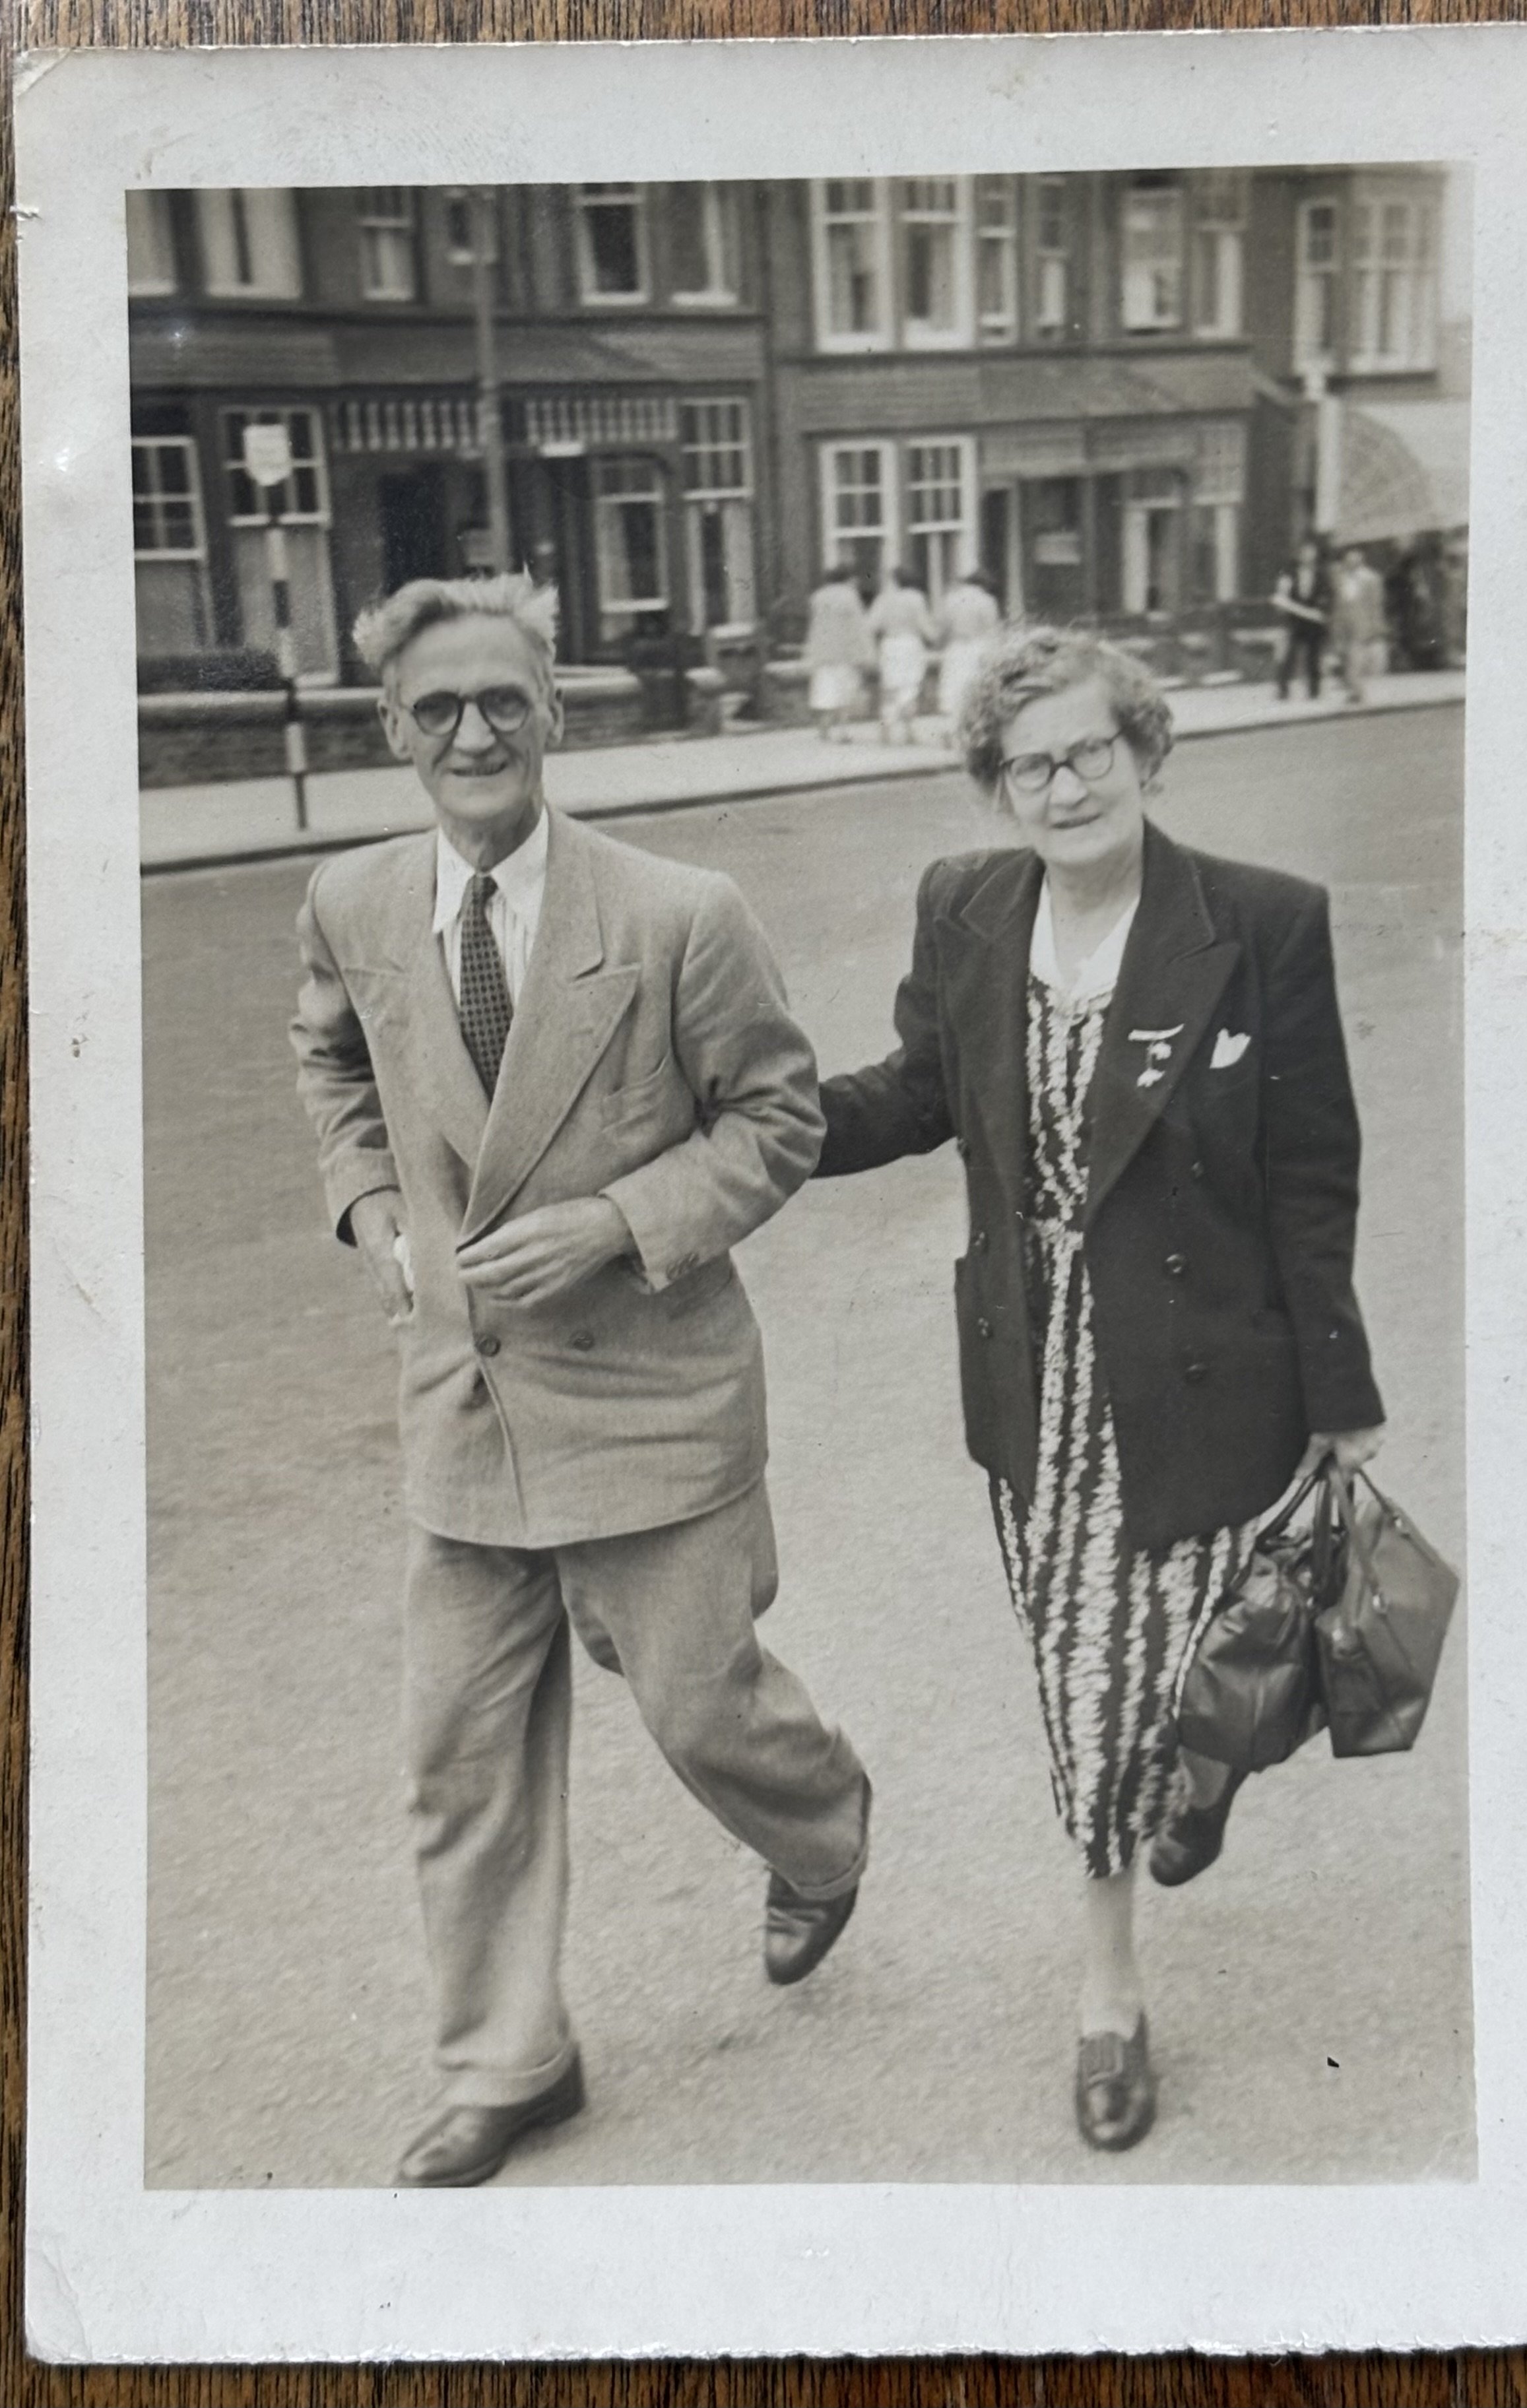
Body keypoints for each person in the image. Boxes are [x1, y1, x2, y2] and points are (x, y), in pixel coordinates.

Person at [292, 573, 870, 2188]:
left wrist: (620, 1221)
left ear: (554, 710)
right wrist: (374, 1210)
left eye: (501, 701)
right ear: (391, 733)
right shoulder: (349, 899)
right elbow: (330, 1057)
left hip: (653, 1397)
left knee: (697, 1705)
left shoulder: (679, 911)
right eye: (435, 710)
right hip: (464, 1406)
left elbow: (780, 1119)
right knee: (457, 1756)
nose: (472, 733)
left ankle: (822, 1829)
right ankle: (511, 2062)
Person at [814, 624, 1384, 2153]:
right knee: (1088, 1684)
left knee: (1144, 1673)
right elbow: (915, 1094)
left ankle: (1145, 1881)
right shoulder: (968, 907)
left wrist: (1339, 1385)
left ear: (1143, 750)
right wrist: (759, 1123)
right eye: (1027, 765)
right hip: (1035, 1375)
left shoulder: (1259, 923)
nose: (1063, 787)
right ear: (994, 787)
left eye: (1088, 752)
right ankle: (1112, 1984)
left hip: (1201, 1377)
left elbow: (1308, 1169)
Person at [802, 562, 874, 741]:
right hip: (844, 652)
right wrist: (866, 653)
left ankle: (823, 729)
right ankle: (843, 731)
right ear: (847, 578)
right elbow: (858, 626)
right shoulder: (849, 597)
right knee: (844, 693)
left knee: (824, 692)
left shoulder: (818, 597)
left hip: (822, 652)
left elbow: (814, 625)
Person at [868, 566, 937, 744]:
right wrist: (933, 637)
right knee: (910, 686)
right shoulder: (917, 598)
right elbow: (925, 626)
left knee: (891, 686)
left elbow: (872, 625)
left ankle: (887, 726)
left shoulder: (883, 599)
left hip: (890, 644)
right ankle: (909, 731)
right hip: (910, 643)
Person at [936, 570, 1003, 740]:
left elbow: (943, 629)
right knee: (974, 689)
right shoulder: (987, 601)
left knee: (952, 689)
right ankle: (969, 732)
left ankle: (948, 729)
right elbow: (992, 630)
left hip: (955, 648)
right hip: (977, 647)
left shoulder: (951, 600)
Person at [1272, 538, 1334, 701]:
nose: (1308, 556)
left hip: (1313, 622)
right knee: (1289, 657)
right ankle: (1282, 691)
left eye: (1311, 552)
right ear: (1299, 555)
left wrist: (1322, 608)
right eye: (1305, 552)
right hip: (1294, 622)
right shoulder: (1289, 573)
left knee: (1313, 657)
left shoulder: (1321, 574)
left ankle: (1314, 691)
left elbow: (1328, 595)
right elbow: (1282, 595)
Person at [1332, 546, 1386, 705]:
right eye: (1348, 559)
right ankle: (1354, 690)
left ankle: (1357, 692)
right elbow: (1339, 602)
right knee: (1346, 658)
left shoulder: (1371, 578)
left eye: (1355, 558)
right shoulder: (1341, 578)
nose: (1352, 562)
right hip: (1343, 624)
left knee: (1355, 659)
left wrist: (1376, 626)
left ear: (1362, 559)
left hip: (1362, 624)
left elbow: (1376, 604)